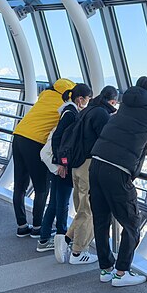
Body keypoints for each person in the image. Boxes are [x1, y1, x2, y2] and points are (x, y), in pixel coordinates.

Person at [89, 76, 147, 287]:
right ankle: (121, 273)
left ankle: (105, 269)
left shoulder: (125, 104)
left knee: (101, 219)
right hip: (117, 169)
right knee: (132, 223)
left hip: (96, 164)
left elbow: (129, 128)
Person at [52, 86, 119, 264]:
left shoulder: (87, 110)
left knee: (82, 208)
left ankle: (66, 239)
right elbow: (105, 141)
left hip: (76, 165)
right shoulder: (102, 115)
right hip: (88, 165)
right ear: (112, 101)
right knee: (89, 209)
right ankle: (78, 252)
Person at [10, 78, 76, 238]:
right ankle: (37, 227)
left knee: (20, 184)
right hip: (34, 142)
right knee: (41, 187)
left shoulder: (45, 96)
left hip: (18, 136)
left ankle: (22, 225)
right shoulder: (65, 105)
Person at [39, 83, 93, 258]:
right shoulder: (70, 114)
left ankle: (44, 238)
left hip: (57, 163)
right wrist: (62, 162)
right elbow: (59, 139)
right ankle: (60, 240)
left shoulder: (67, 111)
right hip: (61, 165)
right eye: (88, 99)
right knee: (61, 203)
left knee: (55, 202)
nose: (88, 103)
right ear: (80, 99)